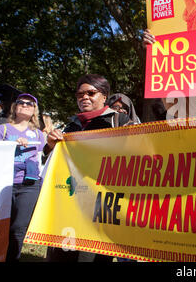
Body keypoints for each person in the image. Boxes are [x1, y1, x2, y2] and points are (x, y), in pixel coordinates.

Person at [44, 74, 132, 262]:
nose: (84, 98)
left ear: (104, 96)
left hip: (102, 207)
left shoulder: (120, 121)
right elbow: (52, 163)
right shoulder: (70, 126)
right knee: (60, 256)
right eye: (79, 95)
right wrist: (51, 146)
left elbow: (140, 153)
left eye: (90, 93)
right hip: (68, 205)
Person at [0, 93, 46, 262]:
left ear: (34, 111)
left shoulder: (39, 134)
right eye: (21, 102)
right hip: (4, 184)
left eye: (29, 104)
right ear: (14, 107)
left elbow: (45, 156)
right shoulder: (1, 129)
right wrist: (11, 144)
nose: (25, 105)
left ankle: (12, 258)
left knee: (18, 228)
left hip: (29, 185)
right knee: (1, 226)